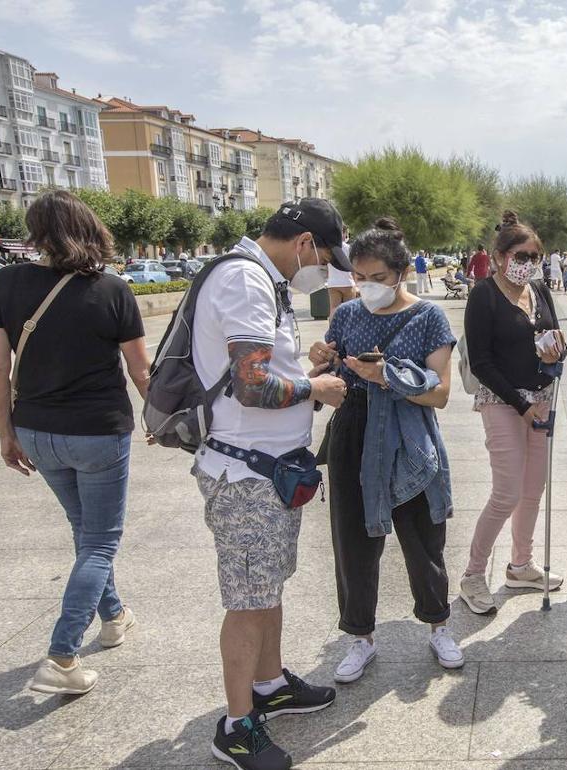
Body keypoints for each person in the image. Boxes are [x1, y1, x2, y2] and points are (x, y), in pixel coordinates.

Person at [190, 198, 349, 770]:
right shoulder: (247, 282)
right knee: (249, 601)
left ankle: (270, 684)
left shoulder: (257, 277)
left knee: (267, 589)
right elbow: (251, 386)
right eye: (326, 258)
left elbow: (258, 375)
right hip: (246, 474)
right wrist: (315, 390)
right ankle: (236, 726)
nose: (324, 271)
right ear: (304, 243)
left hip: (266, 467)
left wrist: (306, 375)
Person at [0, 189, 151, 696]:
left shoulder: (7, 281)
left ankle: (115, 615)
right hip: (97, 432)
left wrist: (5, 433)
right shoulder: (112, 289)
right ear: (90, 229)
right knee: (99, 540)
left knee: (85, 529)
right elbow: (140, 370)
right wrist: (163, 420)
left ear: (36, 232)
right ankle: (62, 655)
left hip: (35, 430)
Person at [308, 217, 463, 685]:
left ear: (401, 272)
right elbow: (325, 383)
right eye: (359, 277)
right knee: (353, 541)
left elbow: (440, 393)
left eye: (378, 278)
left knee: (422, 536)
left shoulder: (428, 317)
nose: (367, 287)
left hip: (407, 430)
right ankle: (360, 636)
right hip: (354, 429)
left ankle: (439, 625)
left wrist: (386, 376)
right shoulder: (347, 315)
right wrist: (319, 363)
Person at [458, 210, 566, 614]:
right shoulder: (482, 295)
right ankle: (473, 574)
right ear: (499, 255)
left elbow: (555, 335)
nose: (527, 264)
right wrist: (521, 406)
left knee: (532, 490)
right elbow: (483, 362)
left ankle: (520, 565)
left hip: (542, 397)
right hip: (502, 402)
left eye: (534, 256)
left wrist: (557, 349)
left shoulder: (539, 290)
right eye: (520, 256)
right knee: (506, 493)